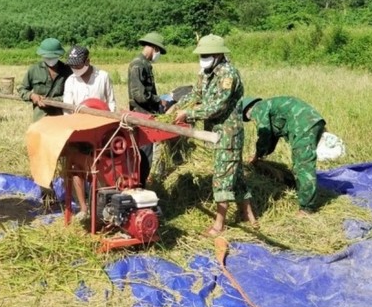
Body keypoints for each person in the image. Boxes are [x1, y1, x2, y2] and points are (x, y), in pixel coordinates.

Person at [174, 34, 257, 237]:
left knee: (221, 177)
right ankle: (249, 216)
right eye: (201, 54)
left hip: (228, 134)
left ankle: (219, 225)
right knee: (235, 175)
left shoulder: (228, 74)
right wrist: (175, 108)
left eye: (207, 54)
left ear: (219, 53)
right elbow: (196, 95)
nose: (203, 57)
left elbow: (217, 107)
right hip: (216, 133)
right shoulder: (206, 72)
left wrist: (189, 114)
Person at [242, 96, 326, 216]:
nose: (251, 119)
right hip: (313, 121)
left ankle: (307, 208)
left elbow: (264, 134)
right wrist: (260, 155)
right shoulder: (269, 106)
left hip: (303, 125)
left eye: (248, 118)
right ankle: (304, 193)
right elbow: (272, 137)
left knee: (303, 165)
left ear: (247, 110)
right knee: (301, 164)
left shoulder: (258, 108)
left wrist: (256, 156)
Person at [62, 45, 116, 221]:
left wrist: (110, 126)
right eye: (73, 66)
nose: (76, 69)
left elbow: (111, 103)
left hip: (101, 132)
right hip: (78, 131)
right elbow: (67, 108)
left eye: (79, 65)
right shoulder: (70, 81)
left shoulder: (103, 77)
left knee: (99, 169)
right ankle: (84, 209)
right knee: (76, 168)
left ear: (87, 61)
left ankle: (100, 207)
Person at [128, 32, 169, 186]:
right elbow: (140, 95)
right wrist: (159, 99)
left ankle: (140, 184)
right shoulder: (138, 65)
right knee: (143, 155)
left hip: (147, 115)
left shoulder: (145, 64)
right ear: (153, 47)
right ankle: (139, 186)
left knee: (147, 153)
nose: (158, 54)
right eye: (158, 51)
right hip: (141, 116)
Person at [18, 38, 72, 122]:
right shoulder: (34, 69)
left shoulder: (68, 71)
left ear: (59, 55)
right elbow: (22, 89)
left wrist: (52, 101)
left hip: (61, 117)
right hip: (40, 117)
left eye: (53, 57)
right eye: (47, 57)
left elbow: (72, 95)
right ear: (42, 55)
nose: (50, 59)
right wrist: (32, 96)